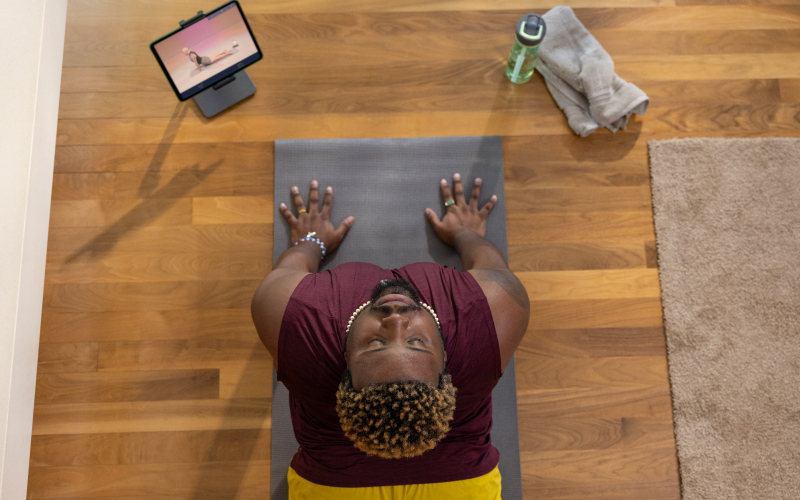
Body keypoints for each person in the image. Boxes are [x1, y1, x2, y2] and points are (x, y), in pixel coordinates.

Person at [251, 174, 530, 499]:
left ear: (345, 367)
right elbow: (491, 264)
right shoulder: (492, 310)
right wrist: (465, 233)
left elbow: (288, 270)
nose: (396, 320)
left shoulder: (293, 314)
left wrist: (313, 240)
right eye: (416, 342)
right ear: (445, 364)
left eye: (376, 344)